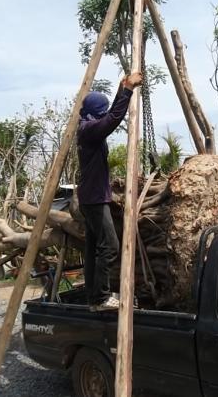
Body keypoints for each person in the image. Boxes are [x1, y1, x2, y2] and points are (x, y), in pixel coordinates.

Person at [77, 71, 143, 311]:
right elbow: (113, 119)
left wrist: (121, 89)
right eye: (102, 110)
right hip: (94, 198)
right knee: (110, 245)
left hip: (91, 196)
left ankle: (94, 297)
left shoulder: (87, 125)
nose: (104, 114)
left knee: (95, 248)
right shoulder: (89, 130)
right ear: (96, 111)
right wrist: (127, 91)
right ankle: (101, 297)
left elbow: (108, 116)